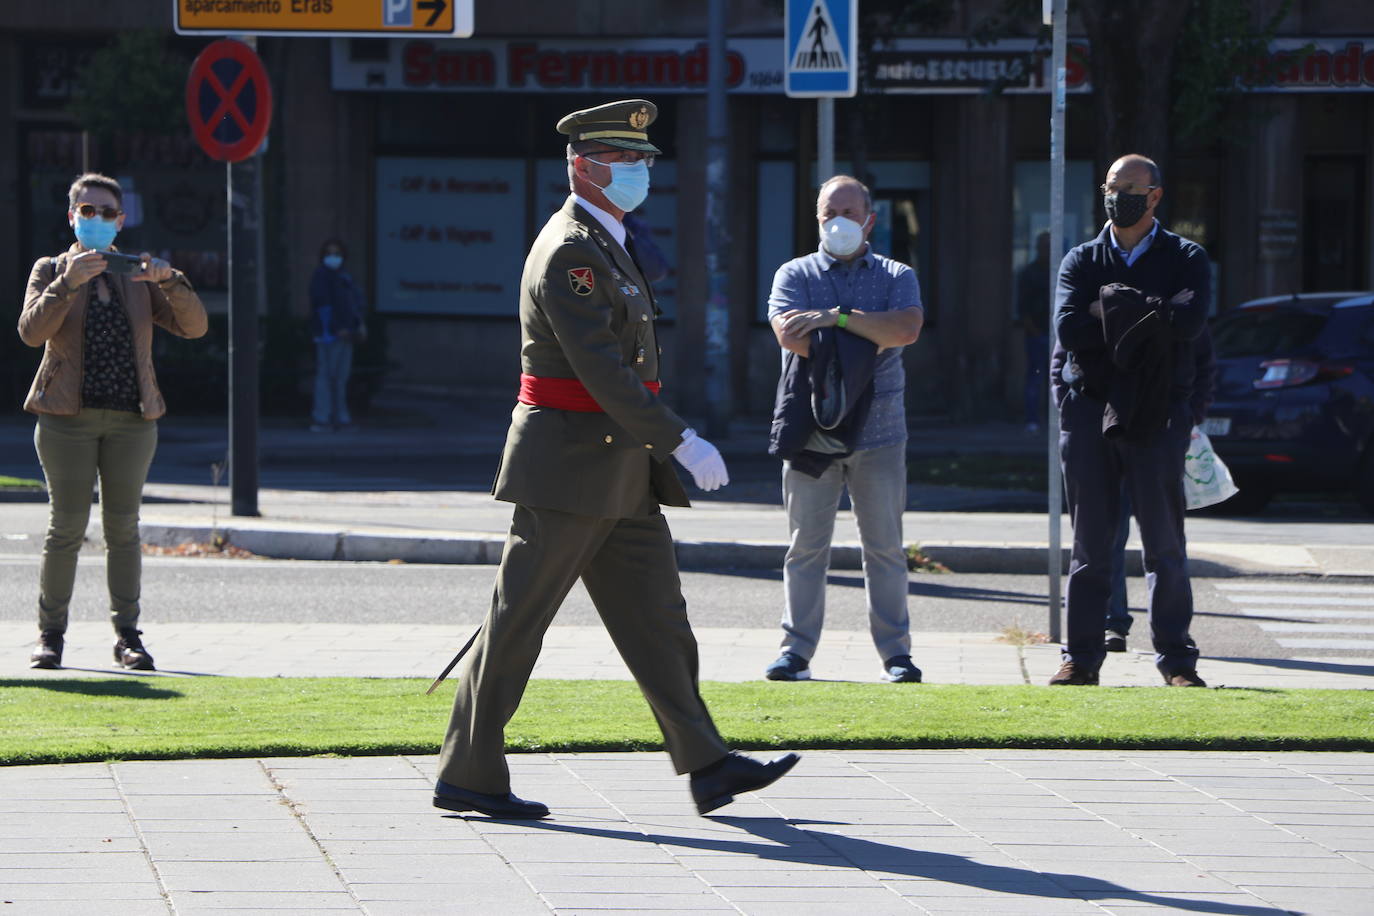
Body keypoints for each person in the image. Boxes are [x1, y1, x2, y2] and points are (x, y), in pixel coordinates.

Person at [432, 99, 799, 820]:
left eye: (641, 160)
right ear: (581, 165)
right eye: (622, 160)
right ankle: (467, 772)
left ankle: (707, 762)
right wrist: (681, 440)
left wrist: (657, 443)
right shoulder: (571, 250)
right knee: (518, 623)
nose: (638, 170)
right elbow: (603, 373)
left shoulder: (609, 242)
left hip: (618, 469)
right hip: (570, 466)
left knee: (658, 617)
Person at [18, 172, 208, 671]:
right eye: (88, 211)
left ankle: (127, 636)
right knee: (66, 528)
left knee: (123, 529)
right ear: (72, 216)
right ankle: (50, 635)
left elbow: (194, 326)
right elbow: (31, 332)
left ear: (121, 220)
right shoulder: (51, 267)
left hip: (132, 418)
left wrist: (170, 279)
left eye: (107, 213)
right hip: (66, 417)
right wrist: (69, 281)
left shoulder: (138, 273)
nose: (97, 220)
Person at [1051, 154, 1210, 687]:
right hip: (1091, 411)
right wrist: (1153, 311)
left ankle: (1177, 661)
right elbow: (1070, 331)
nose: (1119, 197)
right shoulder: (1081, 259)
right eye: (1112, 188)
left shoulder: (1186, 256)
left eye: (1130, 188)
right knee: (1091, 548)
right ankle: (1081, 659)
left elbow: (1191, 326)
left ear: (1156, 195)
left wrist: (1114, 308)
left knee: (1164, 546)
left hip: (1158, 412)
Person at [763, 175, 925, 684]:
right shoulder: (794, 273)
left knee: (884, 548)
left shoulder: (898, 275)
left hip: (880, 432)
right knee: (806, 547)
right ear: (816, 219)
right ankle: (796, 652)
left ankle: (896, 655)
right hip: (812, 429)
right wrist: (865, 331)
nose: (839, 223)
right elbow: (789, 335)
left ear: (870, 220)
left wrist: (834, 318)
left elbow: (905, 329)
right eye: (830, 213)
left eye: (850, 214)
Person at [1053, 325, 1216, 654]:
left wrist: (1189, 414)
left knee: (1164, 542)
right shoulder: (1091, 288)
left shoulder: (1172, 293)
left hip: (1157, 429)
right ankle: (1110, 625)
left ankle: (1173, 643)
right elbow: (1063, 356)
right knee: (1101, 541)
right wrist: (1068, 407)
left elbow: (1202, 359)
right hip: (1100, 430)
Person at [309, 239, 366, 432]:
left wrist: (358, 325)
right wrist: (335, 328)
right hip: (329, 335)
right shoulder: (321, 276)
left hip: (346, 333)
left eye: (337, 253)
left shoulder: (345, 277)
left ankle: (339, 416)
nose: (333, 257)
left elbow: (354, 304)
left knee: (340, 377)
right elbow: (322, 305)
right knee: (326, 376)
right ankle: (322, 418)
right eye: (329, 253)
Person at [1017, 231, 1052, 433]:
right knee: (1035, 377)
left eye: (1050, 246)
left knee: (1056, 379)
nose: (1048, 251)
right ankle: (1032, 419)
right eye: (1045, 246)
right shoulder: (1029, 273)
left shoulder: (1058, 270)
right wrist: (1034, 331)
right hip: (1037, 334)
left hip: (1056, 333)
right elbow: (1023, 308)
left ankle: (1052, 418)